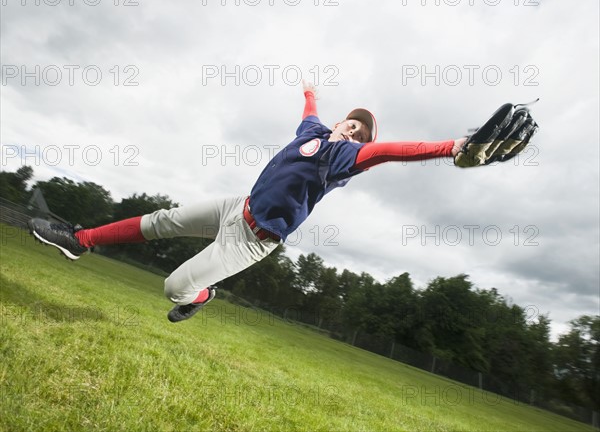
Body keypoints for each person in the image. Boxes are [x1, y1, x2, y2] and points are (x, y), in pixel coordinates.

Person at [28, 81, 467, 322]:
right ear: (340, 120)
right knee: (162, 220)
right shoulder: (313, 134)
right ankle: (80, 239)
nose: (353, 131)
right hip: (237, 206)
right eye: (352, 124)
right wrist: (309, 91)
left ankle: (201, 297)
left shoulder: (343, 157)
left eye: (361, 132)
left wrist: (451, 147)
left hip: (254, 238)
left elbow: (393, 150)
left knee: (174, 288)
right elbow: (309, 110)